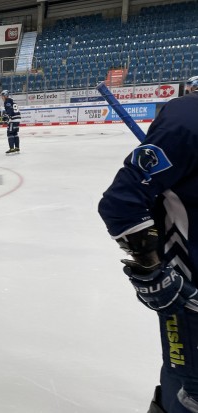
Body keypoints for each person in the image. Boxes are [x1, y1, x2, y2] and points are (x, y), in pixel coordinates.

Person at [98, 75, 198, 413]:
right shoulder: (187, 121)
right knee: (189, 397)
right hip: (192, 297)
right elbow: (121, 202)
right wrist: (152, 267)